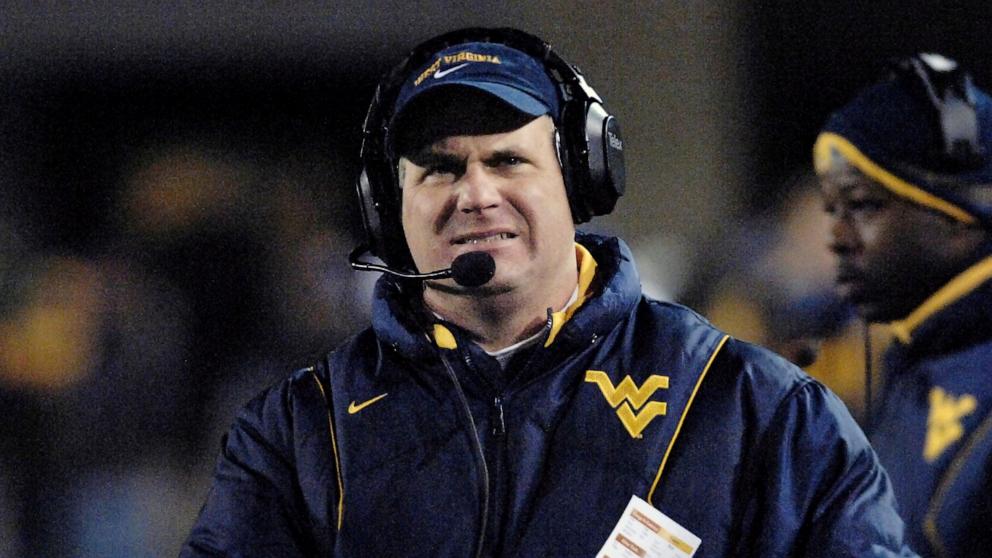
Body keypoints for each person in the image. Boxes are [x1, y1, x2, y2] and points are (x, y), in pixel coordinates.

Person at [182, 28, 915, 557]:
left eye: (508, 160)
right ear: (387, 205)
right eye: (439, 168)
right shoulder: (300, 435)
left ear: (581, 181)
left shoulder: (753, 409)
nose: (476, 194)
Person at [816, 53, 992, 557]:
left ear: (960, 214)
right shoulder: (920, 361)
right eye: (832, 210)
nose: (837, 236)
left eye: (864, 205)